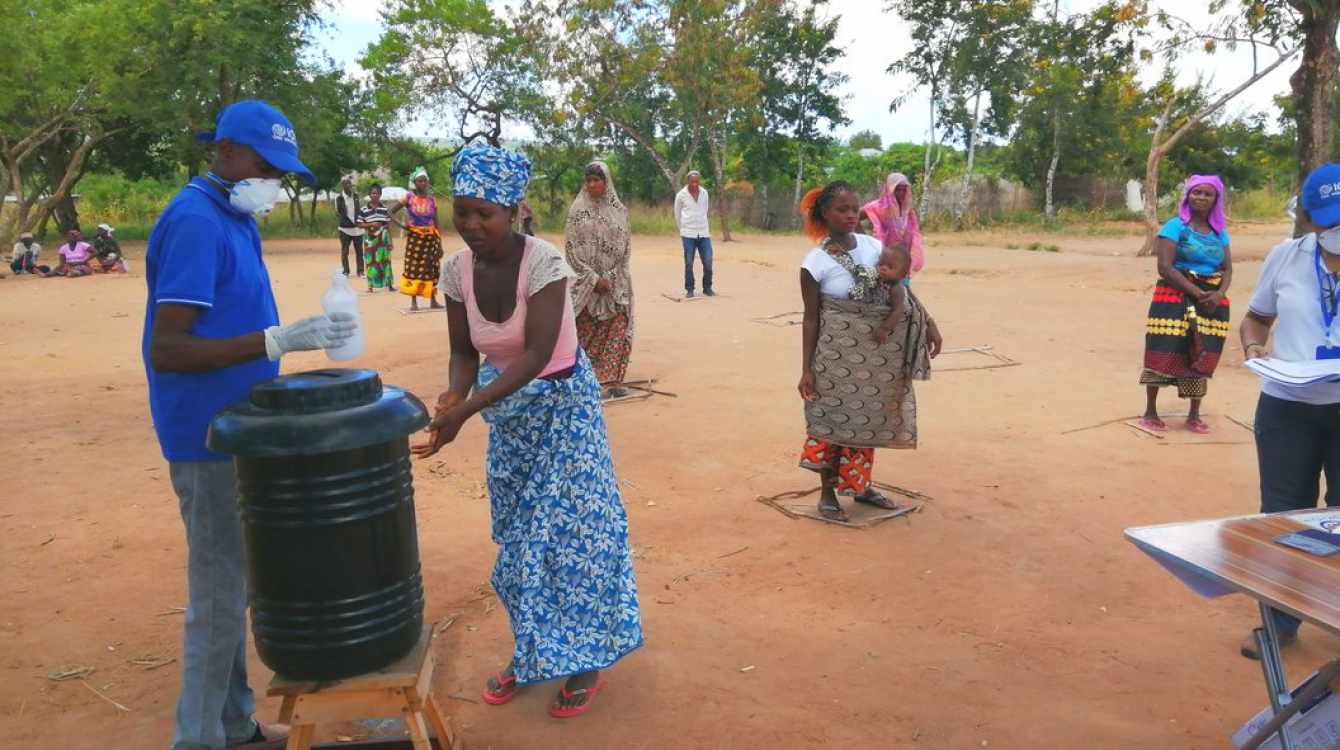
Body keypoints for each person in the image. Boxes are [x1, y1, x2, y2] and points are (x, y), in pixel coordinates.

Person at [141, 99, 356, 750]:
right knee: (216, 595)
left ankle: (233, 723)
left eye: (281, 173)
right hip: (207, 438)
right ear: (228, 152)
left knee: (234, 584)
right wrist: (274, 341)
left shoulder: (233, 216)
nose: (274, 183)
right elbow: (168, 348)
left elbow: (228, 313)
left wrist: (285, 338)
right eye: (267, 168)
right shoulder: (195, 222)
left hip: (242, 428)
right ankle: (198, 738)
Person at [413, 142, 642, 719]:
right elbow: (464, 352)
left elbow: (538, 353)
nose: (469, 224)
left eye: (483, 212)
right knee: (519, 540)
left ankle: (586, 657)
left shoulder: (544, 263)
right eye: (461, 210)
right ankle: (535, 649)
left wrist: (468, 410)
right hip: (511, 417)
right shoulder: (454, 269)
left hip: (565, 411)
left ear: (512, 210)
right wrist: (452, 397)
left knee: (574, 539)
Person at [1238, 162, 1340, 660]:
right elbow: (1257, 318)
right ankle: (1279, 620)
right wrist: (1255, 349)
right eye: (1328, 218)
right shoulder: (1286, 258)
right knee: (1282, 517)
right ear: (1308, 217)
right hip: (1287, 408)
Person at [797, 181, 942, 522]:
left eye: (853, 209)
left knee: (868, 419)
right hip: (834, 356)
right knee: (832, 419)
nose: (850, 215)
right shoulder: (814, 262)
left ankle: (860, 486)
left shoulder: (873, 246)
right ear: (825, 213)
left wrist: (929, 322)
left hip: (875, 357)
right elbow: (811, 318)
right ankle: (827, 493)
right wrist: (806, 369)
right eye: (841, 210)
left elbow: (900, 288)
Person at [1138, 175, 1233, 434]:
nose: (1200, 198)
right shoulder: (1174, 226)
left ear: (1215, 199)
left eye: (1207, 194)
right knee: (1165, 347)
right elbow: (1165, 268)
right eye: (1196, 192)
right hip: (1174, 297)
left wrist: (1219, 294)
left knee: (1203, 352)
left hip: (1211, 301)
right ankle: (1150, 412)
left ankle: (1193, 414)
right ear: (1187, 196)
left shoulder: (1219, 232)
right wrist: (1197, 293)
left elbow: (1227, 268)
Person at [564, 161, 635, 398]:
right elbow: (571, 250)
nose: (593, 184)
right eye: (589, 180)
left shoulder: (619, 211)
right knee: (587, 333)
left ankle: (610, 382)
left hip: (616, 283)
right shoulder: (577, 211)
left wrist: (610, 278)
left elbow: (625, 250)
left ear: (606, 182)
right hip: (586, 285)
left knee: (618, 325)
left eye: (597, 180)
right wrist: (594, 279)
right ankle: (587, 381)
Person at [391, 166, 444, 312]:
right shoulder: (408, 198)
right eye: (420, 180)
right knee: (413, 268)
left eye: (425, 180)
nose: (423, 183)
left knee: (432, 268)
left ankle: (433, 300)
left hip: (431, 239)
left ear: (428, 183)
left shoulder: (432, 200)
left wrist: (440, 244)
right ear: (415, 183)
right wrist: (403, 225)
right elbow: (390, 212)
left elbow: (437, 223)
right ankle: (413, 301)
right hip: (415, 238)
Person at [862, 173, 925, 280]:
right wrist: (864, 238)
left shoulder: (908, 210)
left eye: (903, 190)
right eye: (897, 189)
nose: (900, 193)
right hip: (886, 257)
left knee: (903, 286)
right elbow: (857, 215)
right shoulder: (879, 207)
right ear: (889, 189)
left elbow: (913, 232)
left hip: (902, 257)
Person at [674, 170, 713, 297]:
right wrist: (683, 230)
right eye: (692, 181)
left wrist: (703, 225)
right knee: (689, 263)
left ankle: (707, 288)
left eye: (697, 181)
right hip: (688, 234)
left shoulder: (704, 193)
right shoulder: (681, 195)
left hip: (703, 233)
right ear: (688, 181)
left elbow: (705, 210)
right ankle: (690, 289)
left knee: (708, 262)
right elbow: (677, 214)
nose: (695, 184)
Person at [357, 183, 398, 293]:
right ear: (369, 195)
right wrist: (371, 225)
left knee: (386, 261)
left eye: (376, 193)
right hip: (370, 239)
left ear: (380, 194)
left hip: (384, 238)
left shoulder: (385, 209)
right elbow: (359, 224)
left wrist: (391, 242)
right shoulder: (363, 210)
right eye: (372, 193)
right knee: (371, 261)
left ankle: (389, 285)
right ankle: (370, 286)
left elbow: (388, 226)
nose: (374, 195)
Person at [873, 242, 912, 345]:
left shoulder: (896, 288)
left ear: (902, 274)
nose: (883, 268)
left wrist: (885, 329)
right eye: (881, 264)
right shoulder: (880, 281)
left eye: (890, 267)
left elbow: (898, 311)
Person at [335, 176, 365, 278]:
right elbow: (337, 212)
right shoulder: (338, 198)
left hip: (357, 229)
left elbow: (359, 209)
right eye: (345, 183)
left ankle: (360, 271)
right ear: (342, 185)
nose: (348, 185)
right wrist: (345, 220)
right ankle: (346, 271)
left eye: (349, 183)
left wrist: (359, 221)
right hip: (345, 229)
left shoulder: (356, 196)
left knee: (359, 251)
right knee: (345, 251)